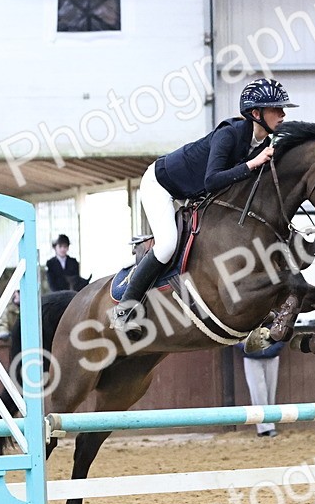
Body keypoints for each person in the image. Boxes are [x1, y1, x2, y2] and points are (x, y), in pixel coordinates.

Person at [111, 78, 299, 334]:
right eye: (276, 108)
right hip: (162, 184)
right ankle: (124, 309)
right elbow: (212, 180)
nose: (283, 113)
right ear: (256, 113)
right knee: (167, 245)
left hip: (192, 192)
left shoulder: (265, 144)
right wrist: (254, 164)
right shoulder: (229, 135)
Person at [237, 327, 285, 437]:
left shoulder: (275, 315)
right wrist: (246, 348)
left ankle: (269, 424)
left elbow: (284, 333)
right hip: (251, 358)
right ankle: (264, 428)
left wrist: (273, 349)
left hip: (272, 356)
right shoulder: (246, 316)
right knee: (258, 393)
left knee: (270, 392)